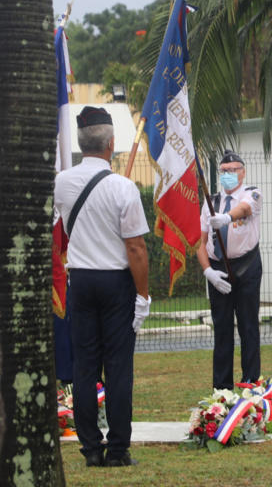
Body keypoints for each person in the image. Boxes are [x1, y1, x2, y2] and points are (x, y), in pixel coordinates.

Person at [54, 106, 150, 467]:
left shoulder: (61, 182)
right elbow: (135, 247)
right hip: (115, 283)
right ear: (111, 144)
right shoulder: (123, 187)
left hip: (80, 281)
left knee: (85, 366)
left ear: (81, 144)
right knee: (118, 366)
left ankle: (91, 449)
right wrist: (142, 295)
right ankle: (118, 450)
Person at [197, 150, 262, 391]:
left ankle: (250, 384)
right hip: (218, 269)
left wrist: (226, 218)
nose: (227, 174)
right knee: (222, 329)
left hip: (246, 266)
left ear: (242, 173)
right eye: (223, 171)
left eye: (232, 170)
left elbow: (244, 210)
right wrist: (208, 272)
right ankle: (222, 389)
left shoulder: (252, 193)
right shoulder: (210, 202)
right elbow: (200, 242)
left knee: (248, 327)